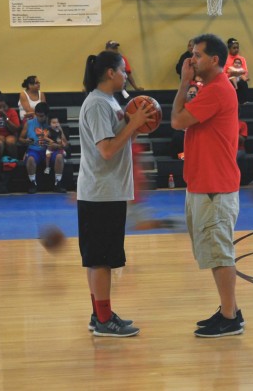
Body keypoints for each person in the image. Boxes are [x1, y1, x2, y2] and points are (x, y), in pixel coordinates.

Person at [171, 33, 244, 338]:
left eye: (197, 55)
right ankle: (230, 310)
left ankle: (230, 319)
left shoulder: (216, 90)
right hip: (205, 183)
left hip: (215, 186)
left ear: (215, 59)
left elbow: (177, 120)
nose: (192, 61)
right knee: (215, 253)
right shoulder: (211, 88)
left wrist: (183, 82)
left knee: (219, 253)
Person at [78, 50, 154, 337]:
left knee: (100, 258)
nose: (126, 75)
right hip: (100, 192)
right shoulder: (98, 104)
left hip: (108, 191)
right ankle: (103, 319)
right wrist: (133, 125)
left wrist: (136, 126)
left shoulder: (111, 101)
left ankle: (100, 313)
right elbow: (107, 150)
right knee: (100, 260)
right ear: (110, 72)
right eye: (124, 70)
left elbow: (116, 141)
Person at [19, 102, 66, 194]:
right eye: (38, 115)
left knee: (59, 157)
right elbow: (20, 138)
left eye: (42, 116)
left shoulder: (52, 124)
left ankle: (58, 183)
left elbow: (64, 143)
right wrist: (25, 141)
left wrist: (60, 130)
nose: (40, 118)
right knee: (30, 159)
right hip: (34, 150)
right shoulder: (29, 123)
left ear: (47, 115)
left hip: (50, 151)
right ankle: (33, 183)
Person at [0, 91, 20, 159]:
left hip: (10, 134)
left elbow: (16, 129)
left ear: (8, 106)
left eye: (4, 107)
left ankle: (14, 161)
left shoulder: (12, 112)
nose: (2, 109)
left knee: (10, 142)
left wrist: (6, 118)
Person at [170, 84, 198, 159]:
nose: (192, 94)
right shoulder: (181, 106)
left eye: (194, 92)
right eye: (190, 92)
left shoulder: (200, 107)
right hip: (183, 133)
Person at [224, 38, 249, 103]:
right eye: (234, 48)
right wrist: (231, 75)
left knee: (243, 82)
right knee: (230, 83)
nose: (236, 50)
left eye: (237, 48)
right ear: (229, 48)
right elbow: (223, 73)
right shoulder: (225, 59)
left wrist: (236, 74)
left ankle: (243, 102)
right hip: (229, 80)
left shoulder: (242, 59)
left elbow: (245, 72)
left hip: (240, 79)